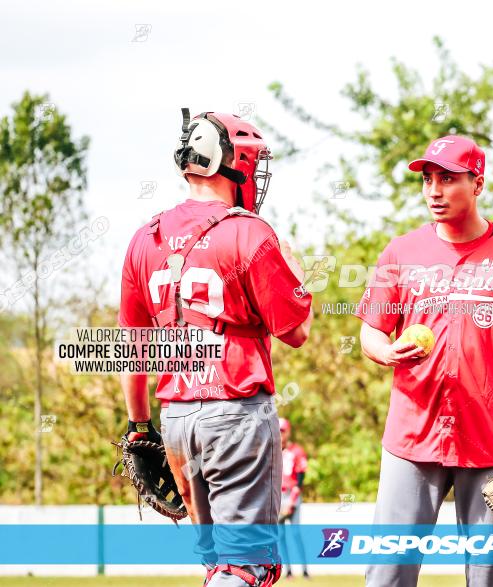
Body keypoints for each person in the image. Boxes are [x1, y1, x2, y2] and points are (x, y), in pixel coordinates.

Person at [355, 135, 493, 586]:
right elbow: (370, 329)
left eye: (448, 178)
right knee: (387, 574)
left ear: (478, 183)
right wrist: (385, 350)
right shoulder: (400, 252)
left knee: (490, 577)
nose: (434, 189)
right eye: (428, 178)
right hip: (413, 438)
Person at [118, 109, 313, 587]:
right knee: (247, 566)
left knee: (217, 566)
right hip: (237, 412)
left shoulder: (146, 237)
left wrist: (139, 427)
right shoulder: (248, 230)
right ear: (232, 162)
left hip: (177, 418)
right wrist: (296, 269)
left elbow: (133, 345)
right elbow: (296, 330)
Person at [278, 417, 310, 579]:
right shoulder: (272, 451)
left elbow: (301, 476)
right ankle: (288, 570)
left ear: (288, 432)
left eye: (282, 431)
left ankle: (304, 570)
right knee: (280, 536)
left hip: (292, 494)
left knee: (296, 534)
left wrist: (292, 500)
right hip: (278, 496)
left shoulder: (296, 451)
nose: (280, 435)